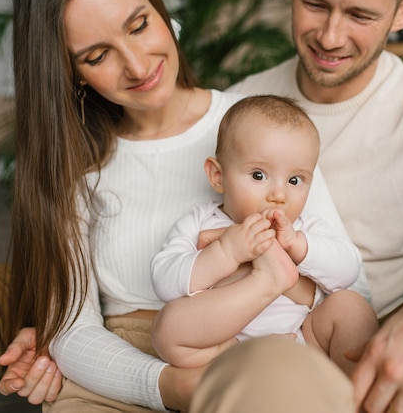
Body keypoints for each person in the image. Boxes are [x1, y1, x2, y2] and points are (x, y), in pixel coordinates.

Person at [0, 0, 403, 411]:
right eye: (96, 55)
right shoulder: (241, 111)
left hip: (296, 330)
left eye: (139, 24)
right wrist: (82, 339)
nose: (330, 34)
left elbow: (344, 284)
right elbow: (101, 314)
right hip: (166, 341)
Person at [0, 0, 366, 412]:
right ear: (70, 70)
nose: (137, 66)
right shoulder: (74, 168)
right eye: (98, 56)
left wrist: (265, 273)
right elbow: (71, 331)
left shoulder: (261, 131)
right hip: (120, 369)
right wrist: (169, 385)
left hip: (265, 348)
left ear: (162, 14)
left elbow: (351, 296)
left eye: (138, 27)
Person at [150, 94, 377, 373]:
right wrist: (226, 252)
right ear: (218, 176)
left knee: (350, 307)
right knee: (168, 327)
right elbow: (164, 280)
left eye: (295, 180)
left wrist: (299, 246)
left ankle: (355, 393)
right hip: (227, 351)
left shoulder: (303, 228)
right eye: (259, 175)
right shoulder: (202, 222)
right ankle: (263, 297)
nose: (279, 195)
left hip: (303, 342)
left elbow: (348, 270)